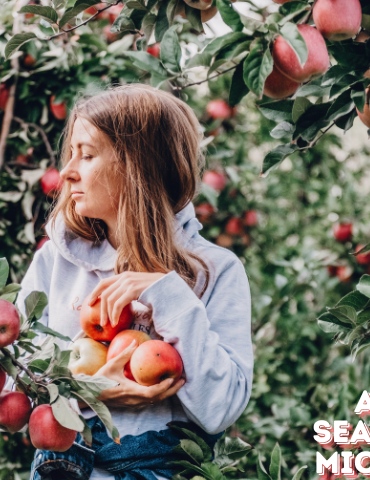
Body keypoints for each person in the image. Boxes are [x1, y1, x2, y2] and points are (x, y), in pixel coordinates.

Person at [16, 84, 254, 480]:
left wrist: (170, 297)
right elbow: (10, 391)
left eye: (87, 155)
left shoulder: (215, 270)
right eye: (71, 153)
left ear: (137, 167)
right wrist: (87, 390)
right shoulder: (55, 264)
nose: (67, 171)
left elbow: (221, 409)